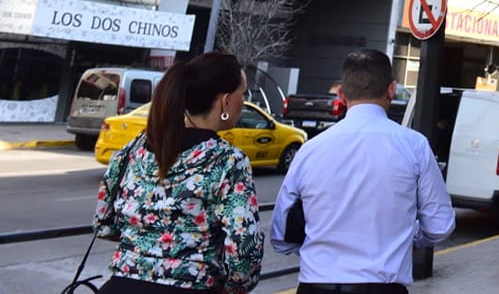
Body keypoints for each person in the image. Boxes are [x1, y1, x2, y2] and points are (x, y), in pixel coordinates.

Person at [271, 49, 455, 293]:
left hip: (316, 286)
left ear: (341, 93)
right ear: (391, 89)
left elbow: (281, 234)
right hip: (382, 287)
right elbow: (440, 225)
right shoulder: (415, 146)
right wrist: (409, 236)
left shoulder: (310, 149)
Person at [92, 51, 263, 293]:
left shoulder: (134, 148)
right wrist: (236, 286)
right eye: (242, 94)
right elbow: (244, 255)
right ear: (226, 101)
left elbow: (103, 224)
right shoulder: (228, 161)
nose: (243, 101)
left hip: (120, 286)